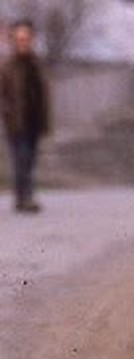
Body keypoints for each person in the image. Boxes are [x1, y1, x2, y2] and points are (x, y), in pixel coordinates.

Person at [1, 18, 50, 213]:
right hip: (16, 121)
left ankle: (21, 196)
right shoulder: (7, 67)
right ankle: (26, 197)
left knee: (29, 160)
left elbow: (44, 92)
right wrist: (7, 110)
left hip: (34, 119)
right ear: (14, 40)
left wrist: (46, 119)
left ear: (31, 40)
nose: (23, 42)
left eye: (26, 38)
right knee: (21, 158)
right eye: (19, 38)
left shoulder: (36, 64)